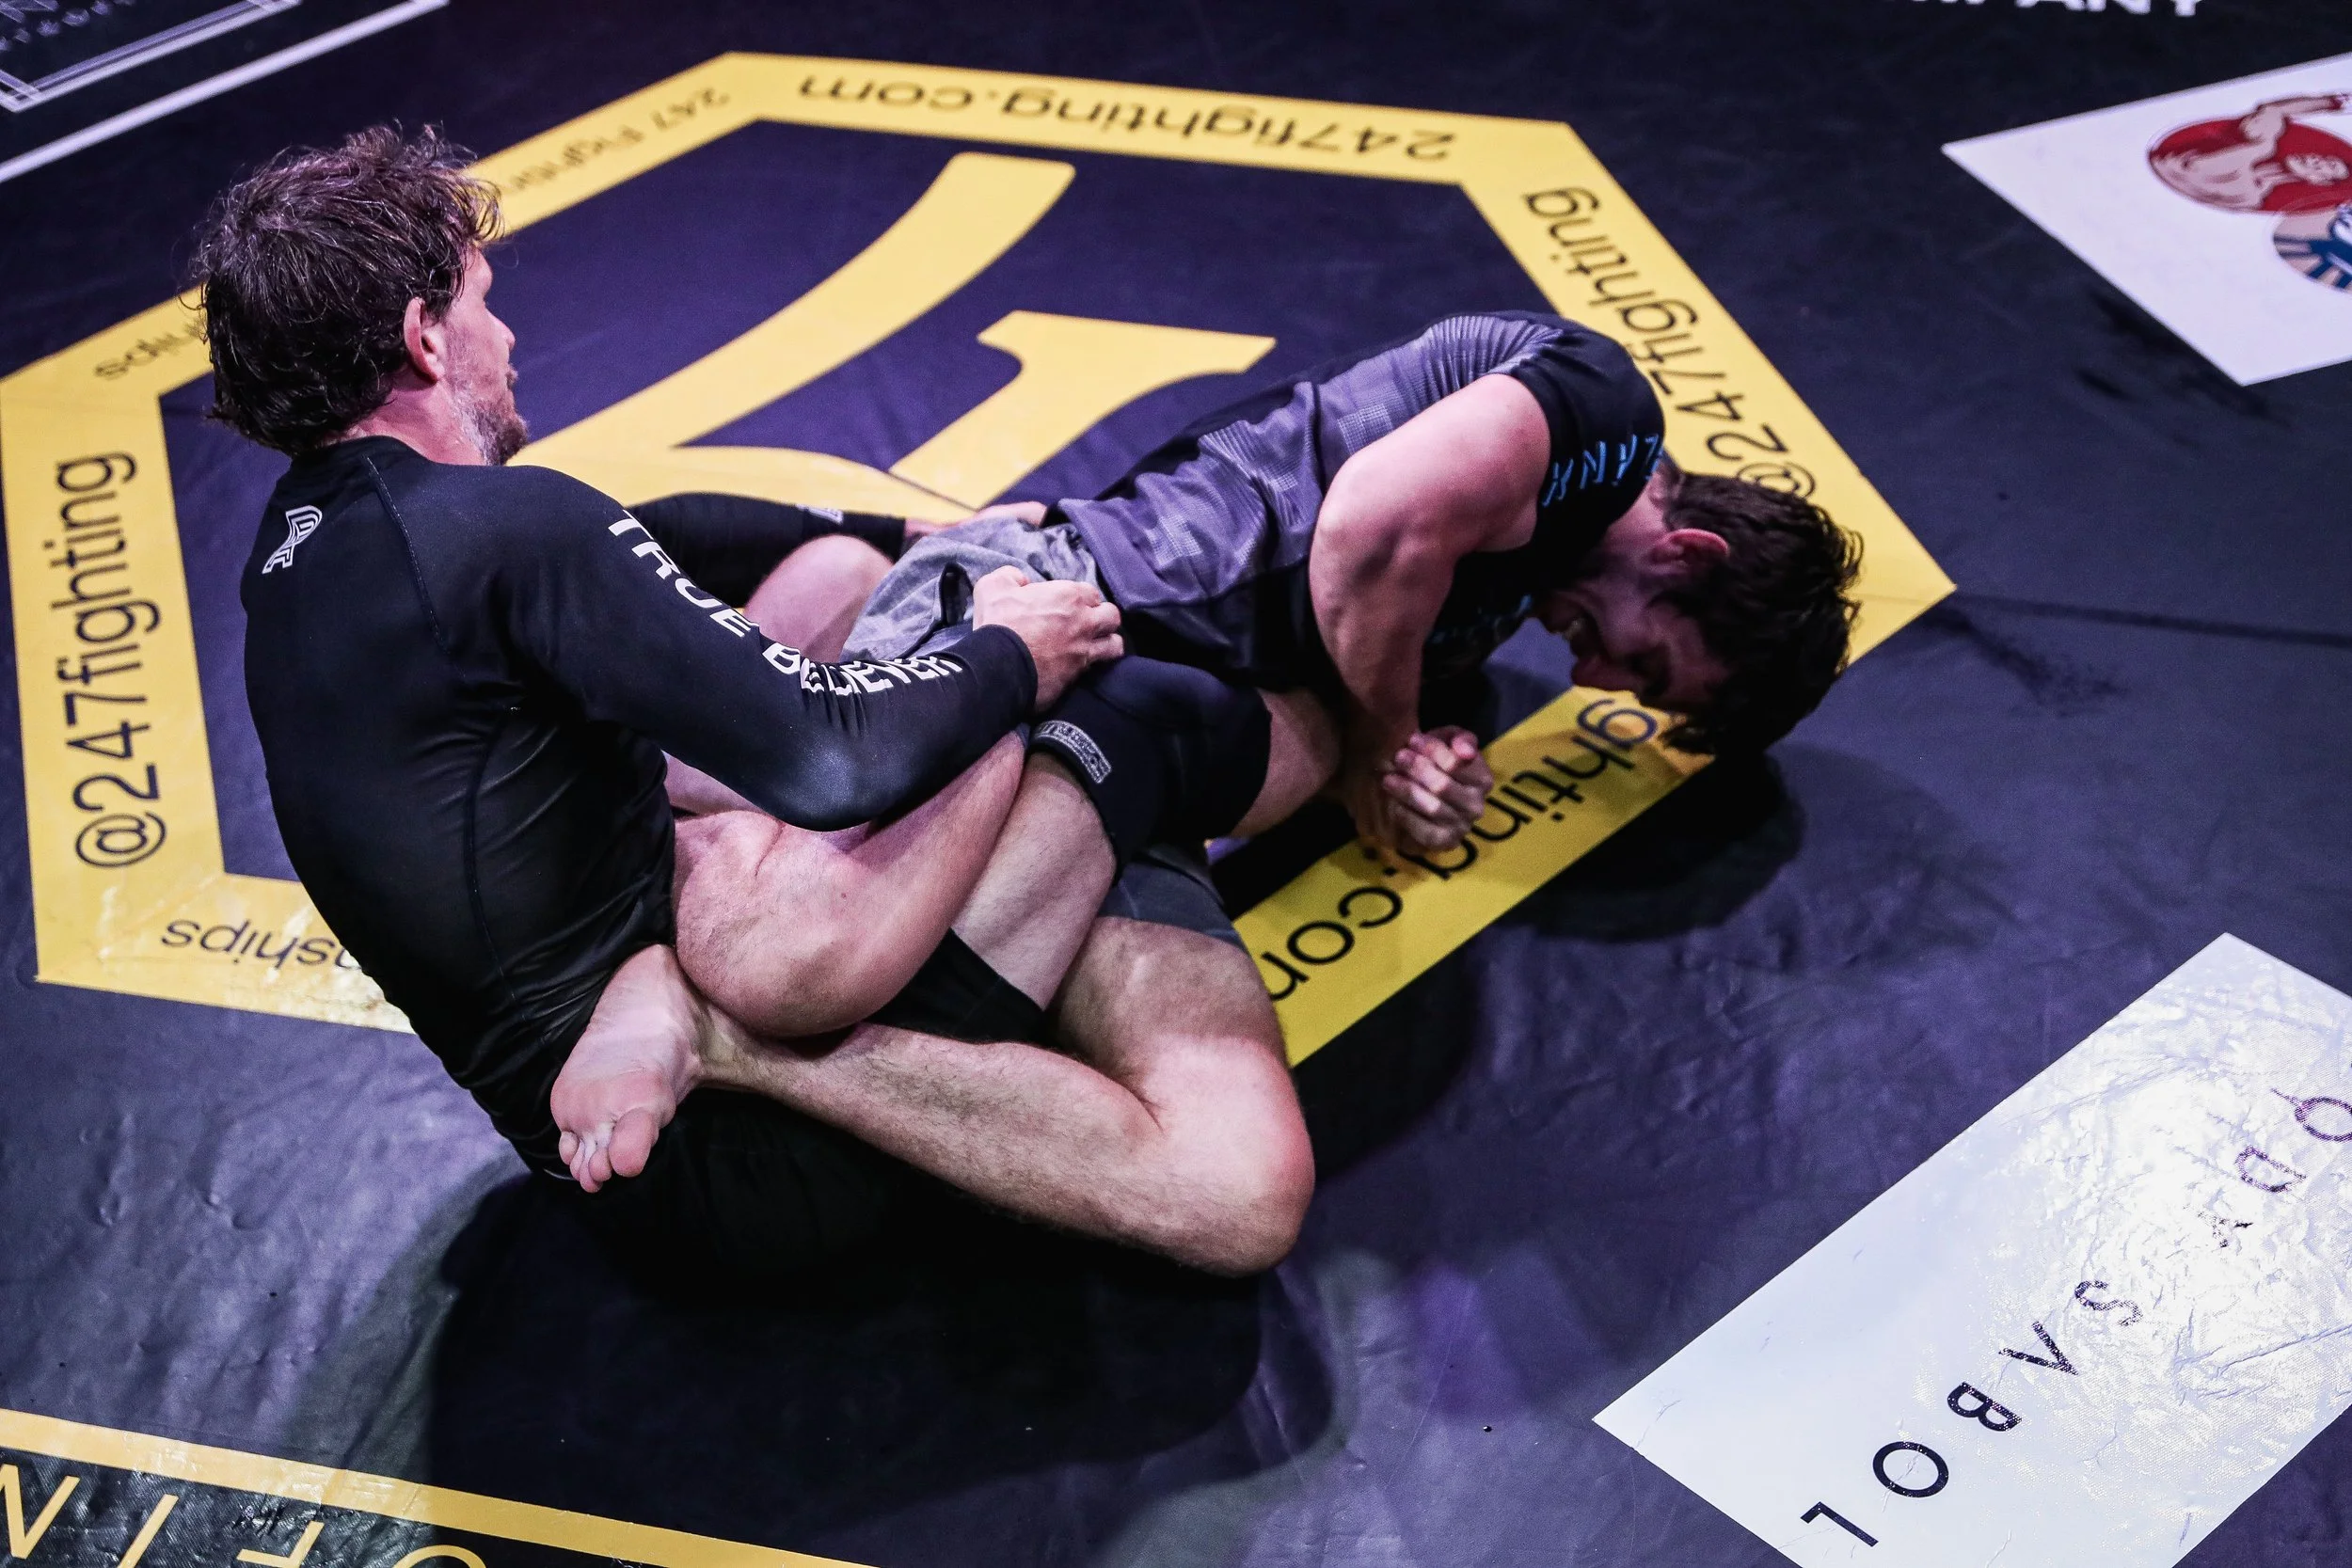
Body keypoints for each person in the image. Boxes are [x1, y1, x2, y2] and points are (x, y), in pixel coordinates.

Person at [199, 127, 1326, 1279]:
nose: (510, 336)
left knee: (841, 580)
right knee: (1119, 714)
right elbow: (837, 761)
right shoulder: (507, 529)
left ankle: (745, 973)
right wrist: (1007, 652)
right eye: (485, 303)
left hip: (609, 1127)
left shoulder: (302, 566)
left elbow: (670, 527)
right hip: (755, 1156)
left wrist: (903, 538)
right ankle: (1352, 744)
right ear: (423, 340)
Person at [2149, 93, 2352, 214]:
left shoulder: (2251, 183)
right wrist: (2333, 101)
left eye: (2328, 165)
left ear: (2317, 180)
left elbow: (2192, 167)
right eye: (2324, 157)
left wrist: (2333, 102)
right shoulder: (2252, 187)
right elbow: (2272, 110)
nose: (2316, 158)